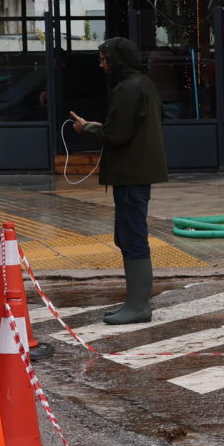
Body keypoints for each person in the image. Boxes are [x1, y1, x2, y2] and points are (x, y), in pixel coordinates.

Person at [72, 38, 166, 324]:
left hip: (130, 173)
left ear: (117, 60)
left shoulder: (128, 88)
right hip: (135, 172)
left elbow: (116, 135)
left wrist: (87, 129)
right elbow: (126, 128)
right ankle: (135, 302)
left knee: (132, 237)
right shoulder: (142, 84)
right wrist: (97, 127)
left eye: (104, 60)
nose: (102, 65)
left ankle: (138, 305)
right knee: (126, 236)